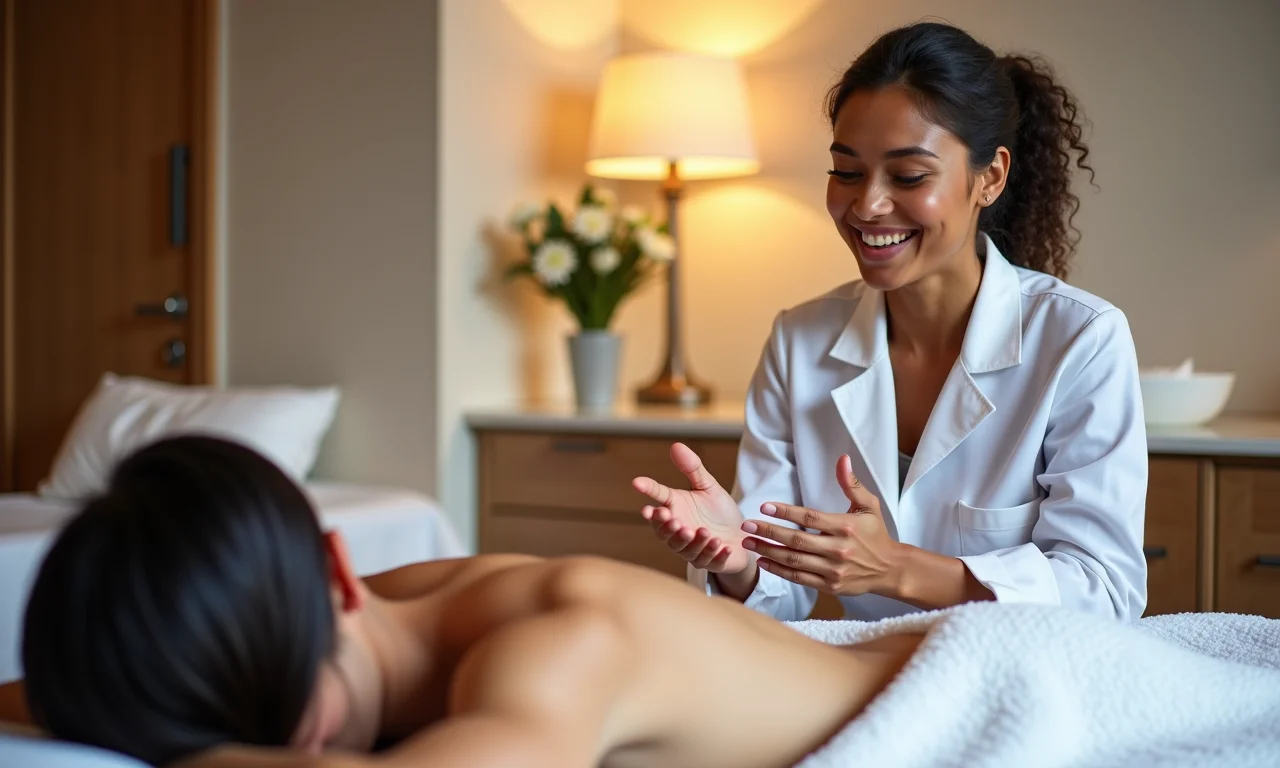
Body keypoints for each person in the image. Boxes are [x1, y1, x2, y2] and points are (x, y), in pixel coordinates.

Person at [635, 20, 1148, 622]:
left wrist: (896, 568)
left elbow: (1104, 591)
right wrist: (739, 561)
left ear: (990, 177)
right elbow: (781, 595)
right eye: (846, 171)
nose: (867, 204)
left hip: (1015, 673)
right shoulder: (799, 340)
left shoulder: (1081, 340)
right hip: (864, 671)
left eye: (908, 176)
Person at [2, 435, 924, 767]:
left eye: (287, 722)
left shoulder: (554, 646)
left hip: (941, 707)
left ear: (336, 573)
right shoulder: (362, 612)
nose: (293, 750)